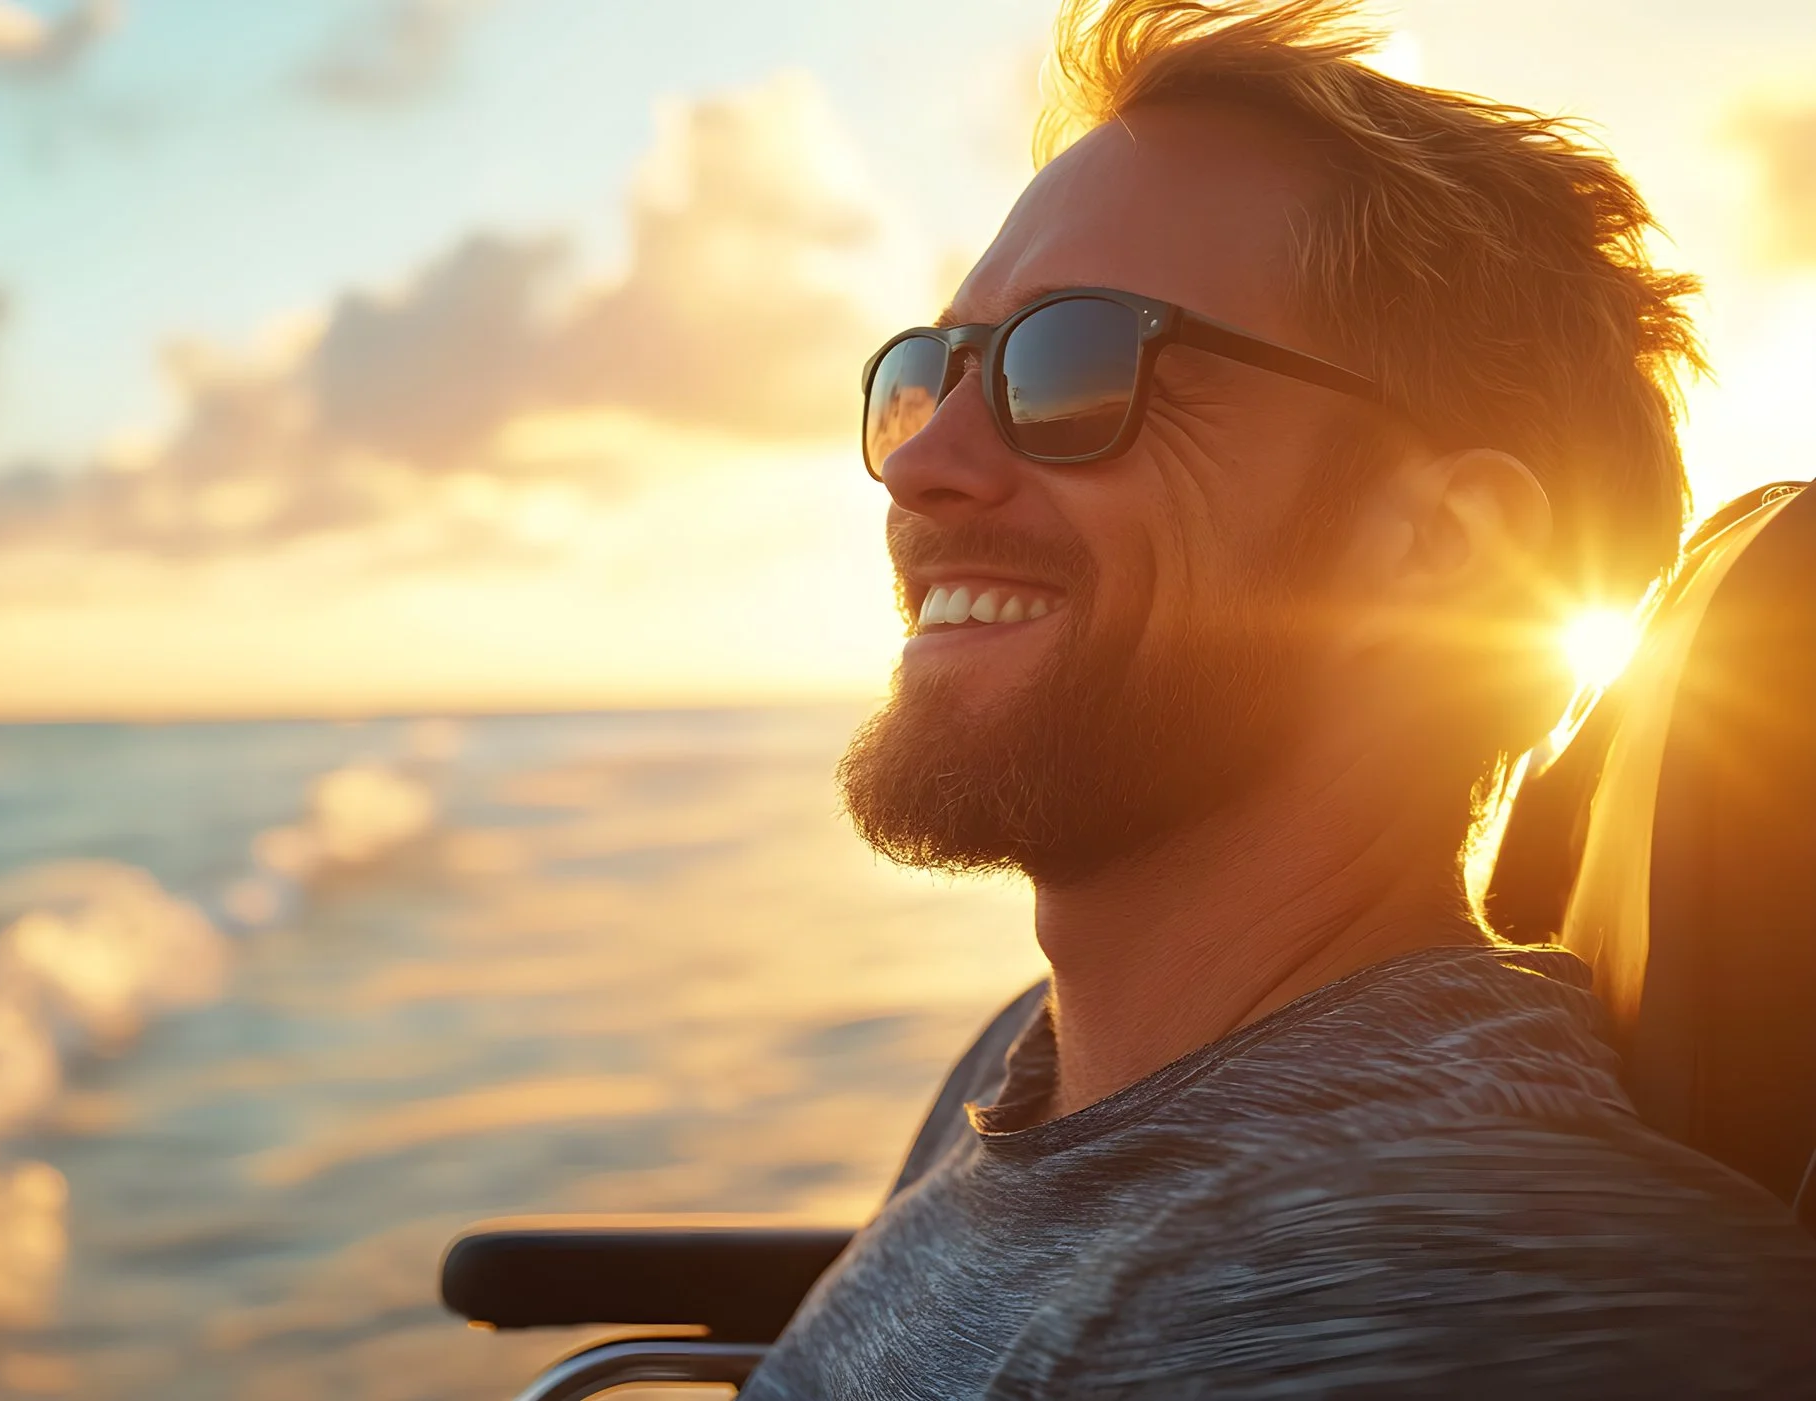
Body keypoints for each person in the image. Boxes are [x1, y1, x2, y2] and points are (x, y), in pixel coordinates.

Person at [743, 0, 1816, 1396]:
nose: (924, 459)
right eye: (926, 372)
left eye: (1073, 364)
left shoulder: (1423, 1282)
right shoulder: (1032, 1058)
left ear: (1441, 553)